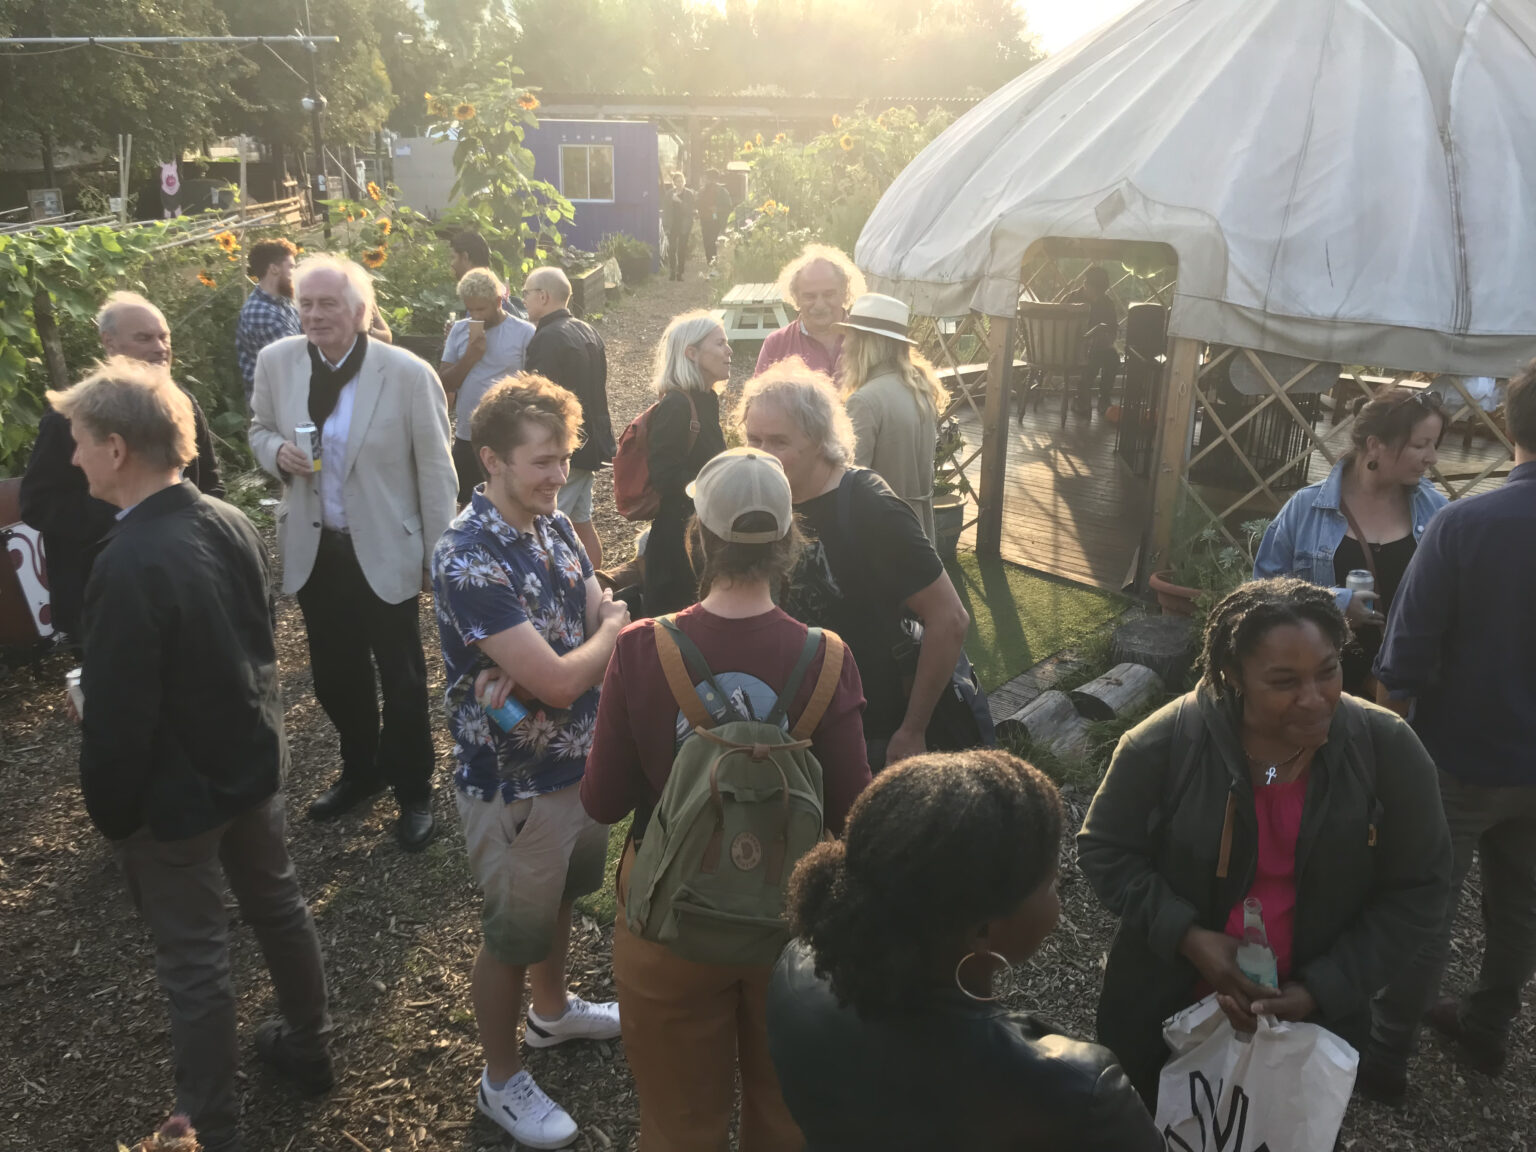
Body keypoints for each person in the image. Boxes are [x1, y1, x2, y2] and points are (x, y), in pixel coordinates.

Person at [53, 357, 331, 1152]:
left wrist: (113, 812)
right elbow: (251, 642)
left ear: (116, 449)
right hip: (249, 762)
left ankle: (211, 1127)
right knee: (278, 904)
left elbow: (120, 718)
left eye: (79, 440)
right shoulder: (226, 518)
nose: (73, 456)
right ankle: (311, 1045)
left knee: (196, 958)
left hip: (177, 798)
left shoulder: (126, 563)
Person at [583, 446, 872, 1152]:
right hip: (794, 927)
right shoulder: (829, 657)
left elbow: (603, 801)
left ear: (698, 537)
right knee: (787, 1121)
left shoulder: (642, 647)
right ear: (790, 541)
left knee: (679, 1126)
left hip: (669, 917)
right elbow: (853, 817)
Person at [1077, 577, 1452, 1105]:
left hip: (1313, 1025)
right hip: (1163, 1017)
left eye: (1328, 671)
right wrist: (1189, 938)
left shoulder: (1388, 750)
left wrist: (1324, 987)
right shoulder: (1164, 744)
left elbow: (1421, 886)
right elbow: (1104, 848)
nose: (1314, 698)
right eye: (1283, 681)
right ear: (1234, 675)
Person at [767, 748, 1160, 1151]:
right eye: (1050, 883)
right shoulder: (1080, 1093)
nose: (1057, 893)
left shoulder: (796, 973)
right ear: (983, 932)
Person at [430, 374, 628, 1150]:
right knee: (511, 935)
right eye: (543, 460)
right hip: (512, 783)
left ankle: (551, 1014)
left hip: (576, 764)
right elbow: (558, 678)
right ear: (492, 459)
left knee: (561, 899)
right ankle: (501, 1079)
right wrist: (606, 636)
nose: (558, 474)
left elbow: (593, 599)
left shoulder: (552, 524)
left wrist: (591, 634)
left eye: (564, 457)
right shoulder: (467, 557)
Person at [1363, 363, 1536, 1101]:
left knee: (1427, 901)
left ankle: (1385, 1053)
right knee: (1522, 906)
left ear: (1508, 426)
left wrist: (1384, 762)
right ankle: (1488, 1027)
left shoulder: (1466, 525)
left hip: (1461, 756)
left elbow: (1403, 657)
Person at [248, 254, 456, 851]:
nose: (314, 315)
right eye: (305, 304)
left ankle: (413, 789)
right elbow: (258, 428)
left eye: (328, 304)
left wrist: (437, 557)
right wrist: (275, 454)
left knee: (403, 676)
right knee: (335, 675)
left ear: (361, 311)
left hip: (387, 546)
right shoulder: (278, 362)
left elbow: (436, 471)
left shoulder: (406, 373)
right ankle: (362, 770)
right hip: (317, 547)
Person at [737, 360, 969, 769]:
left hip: (868, 730)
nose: (762, 455)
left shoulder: (869, 506)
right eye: (753, 439)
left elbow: (949, 618)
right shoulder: (765, 497)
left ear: (819, 439)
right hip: (788, 727)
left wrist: (913, 729)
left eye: (778, 441)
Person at [20, 291, 223, 644]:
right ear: (109, 343)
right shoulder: (71, 417)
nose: (160, 348)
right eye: (144, 338)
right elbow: (38, 505)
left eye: (164, 337)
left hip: (187, 577)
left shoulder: (181, 404)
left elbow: (211, 485)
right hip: (103, 596)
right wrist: (133, 513)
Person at [1254, 389, 1448, 696]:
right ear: (1374, 445)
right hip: (1315, 688)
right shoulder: (1306, 508)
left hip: (1400, 696)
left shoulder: (1437, 511)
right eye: (1419, 445)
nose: (1432, 457)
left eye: (1434, 445)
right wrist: (1333, 605)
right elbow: (1263, 592)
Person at [523, 266, 615, 571]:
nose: (524, 300)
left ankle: (558, 585)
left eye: (526, 293)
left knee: (544, 524)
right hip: (590, 440)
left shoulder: (548, 337)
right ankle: (598, 580)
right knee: (581, 520)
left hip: (562, 446)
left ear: (543, 296)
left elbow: (540, 397)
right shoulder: (587, 329)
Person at [641, 311, 730, 615]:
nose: (729, 351)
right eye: (720, 343)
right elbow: (665, 476)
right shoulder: (677, 405)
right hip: (677, 543)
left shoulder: (706, 399)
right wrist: (719, 485)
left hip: (701, 530)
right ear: (691, 353)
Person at [837, 293, 945, 545]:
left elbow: (850, 484)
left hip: (882, 532)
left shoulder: (865, 401)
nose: (844, 346)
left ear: (866, 343)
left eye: (850, 336)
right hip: (919, 526)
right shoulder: (920, 390)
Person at [440, 268, 536, 504]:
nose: (475, 316)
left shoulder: (524, 332)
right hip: (468, 435)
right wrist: (471, 356)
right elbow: (445, 383)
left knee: (512, 503)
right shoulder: (459, 331)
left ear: (498, 301)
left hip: (508, 434)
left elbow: (533, 386)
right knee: (467, 505)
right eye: (470, 309)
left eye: (481, 309)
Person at [754, 245, 866, 378]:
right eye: (810, 296)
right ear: (796, 297)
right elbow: (759, 391)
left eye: (828, 295)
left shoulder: (867, 340)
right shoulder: (777, 344)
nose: (819, 305)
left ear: (845, 292)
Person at [236, 238, 301, 404]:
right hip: (276, 407)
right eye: (291, 267)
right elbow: (298, 364)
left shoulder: (282, 301)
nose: (296, 274)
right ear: (274, 269)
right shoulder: (263, 314)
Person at [1066, 266, 1119, 417]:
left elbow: (1113, 329)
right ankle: (1081, 399)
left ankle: (1104, 398)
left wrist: (1106, 339)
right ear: (1086, 284)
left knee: (1112, 358)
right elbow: (1060, 327)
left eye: (1101, 292)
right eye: (1096, 291)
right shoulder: (1072, 300)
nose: (1098, 296)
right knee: (1092, 359)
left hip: (1097, 346)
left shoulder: (1106, 302)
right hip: (1072, 347)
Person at [451, 229, 528, 320]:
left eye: (453, 257)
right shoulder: (494, 290)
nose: (451, 264)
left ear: (465, 257)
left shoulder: (484, 296)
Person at [663, 170, 696, 281]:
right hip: (672, 225)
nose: (680, 183)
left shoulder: (689, 194)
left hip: (684, 225)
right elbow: (666, 211)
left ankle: (680, 273)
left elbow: (690, 211)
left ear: (684, 182)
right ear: (674, 183)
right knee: (672, 249)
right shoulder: (669, 194)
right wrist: (665, 226)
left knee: (682, 249)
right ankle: (672, 271)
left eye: (681, 181)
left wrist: (679, 201)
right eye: (677, 181)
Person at [698, 169, 734, 265]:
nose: (707, 181)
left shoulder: (722, 191)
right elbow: (698, 203)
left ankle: (713, 263)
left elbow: (728, 206)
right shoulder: (702, 190)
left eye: (709, 178)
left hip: (715, 219)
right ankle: (709, 262)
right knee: (706, 242)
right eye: (707, 178)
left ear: (715, 179)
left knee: (713, 241)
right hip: (704, 220)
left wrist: (717, 209)